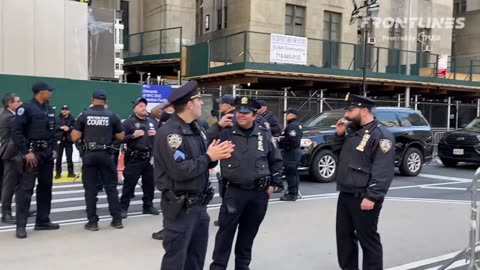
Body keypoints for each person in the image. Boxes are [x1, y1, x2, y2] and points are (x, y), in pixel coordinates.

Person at [154, 80, 234, 270]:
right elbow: (180, 170)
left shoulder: (196, 128)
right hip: (181, 208)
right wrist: (208, 157)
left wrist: (215, 154)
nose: (202, 104)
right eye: (199, 100)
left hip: (199, 206)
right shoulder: (171, 133)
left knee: (196, 258)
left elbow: (204, 160)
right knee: (175, 260)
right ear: (189, 104)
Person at [209, 96, 283, 270]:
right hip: (235, 192)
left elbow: (276, 160)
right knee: (225, 234)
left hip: (259, 193)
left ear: (254, 115)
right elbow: (205, 143)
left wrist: (273, 185)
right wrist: (217, 126)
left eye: (245, 113)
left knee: (248, 234)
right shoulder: (227, 132)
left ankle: (242, 266)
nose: (240, 116)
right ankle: (218, 266)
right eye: (238, 112)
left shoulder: (263, 134)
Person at [334, 93, 395, 270]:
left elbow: (383, 169)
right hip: (346, 193)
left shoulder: (381, 135)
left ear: (364, 110)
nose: (346, 115)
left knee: (368, 240)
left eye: (351, 111)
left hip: (364, 196)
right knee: (344, 239)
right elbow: (340, 156)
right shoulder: (354, 133)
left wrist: (373, 196)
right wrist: (339, 135)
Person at [71, 89, 125, 231]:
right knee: (111, 188)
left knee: (90, 190)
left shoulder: (84, 115)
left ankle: (93, 222)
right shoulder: (113, 115)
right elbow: (121, 137)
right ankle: (117, 219)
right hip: (106, 155)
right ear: (105, 101)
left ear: (92, 99)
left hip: (89, 155)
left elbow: (74, 137)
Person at [13, 82, 60, 239]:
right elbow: (17, 132)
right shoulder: (25, 109)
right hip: (32, 155)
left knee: (46, 187)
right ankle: (21, 225)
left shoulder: (50, 109)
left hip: (47, 154)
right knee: (26, 190)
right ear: (40, 92)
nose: (51, 93)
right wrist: (26, 152)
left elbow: (54, 132)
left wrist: (54, 150)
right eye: (49, 91)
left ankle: (42, 220)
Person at [120, 97, 159, 218]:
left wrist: (156, 135)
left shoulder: (152, 121)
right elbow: (119, 138)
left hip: (149, 157)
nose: (144, 108)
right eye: (141, 106)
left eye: (144, 106)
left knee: (149, 184)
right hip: (134, 157)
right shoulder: (128, 122)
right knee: (129, 184)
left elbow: (160, 137)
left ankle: (148, 206)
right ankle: (123, 208)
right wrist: (132, 136)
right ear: (135, 109)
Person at [0, 93, 22, 224]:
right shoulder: (9, 117)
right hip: (11, 154)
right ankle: (6, 213)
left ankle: (21, 209)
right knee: (9, 185)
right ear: (10, 104)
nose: (21, 103)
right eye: (18, 101)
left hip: (13, 153)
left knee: (19, 183)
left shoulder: (8, 115)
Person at [278, 107, 303, 201]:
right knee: (294, 173)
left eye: (287, 114)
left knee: (291, 174)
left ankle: (292, 194)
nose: (286, 115)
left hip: (291, 152)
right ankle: (294, 192)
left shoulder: (292, 126)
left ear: (293, 115)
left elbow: (292, 140)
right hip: (294, 152)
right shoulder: (296, 125)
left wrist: (281, 139)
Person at [55, 105, 75, 179]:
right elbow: (54, 127)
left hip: (68, 140)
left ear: (68, 111)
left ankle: (71, 173)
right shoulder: (57, 118)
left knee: (69, 157)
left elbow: (75, 126)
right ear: (61, 111)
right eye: (63, 109)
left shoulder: (72, 118)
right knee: (58, 158)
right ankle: (58, 173)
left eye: (66, 110)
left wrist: (69, 128)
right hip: (59, 140)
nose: (64, 111)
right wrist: (61, 127)